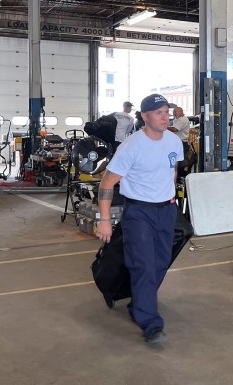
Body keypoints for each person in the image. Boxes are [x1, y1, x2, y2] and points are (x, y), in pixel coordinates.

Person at [96, 94, 183, 345]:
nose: (165, 116)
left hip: (166, 209)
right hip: (139, 213)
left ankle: (139, 302)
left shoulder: (174, 142)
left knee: (161, 260)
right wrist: (104, 220)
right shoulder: (131, 146)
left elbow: (172, 171)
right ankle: (149, 322)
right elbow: (107, 182)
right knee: (143, 264)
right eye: (159, 113)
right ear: (144, 117)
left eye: (167, 111)